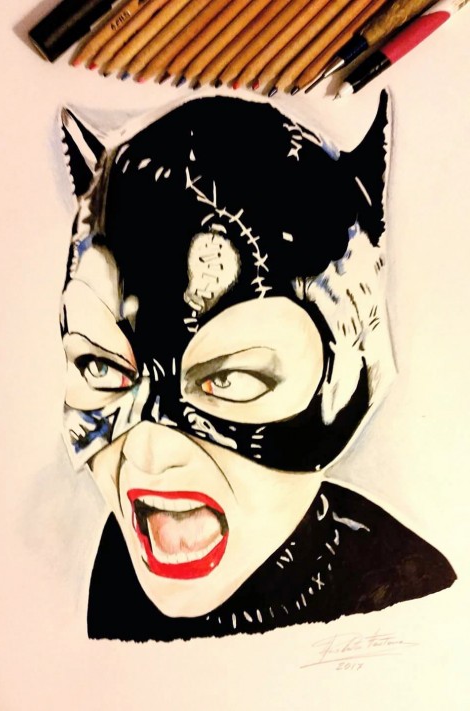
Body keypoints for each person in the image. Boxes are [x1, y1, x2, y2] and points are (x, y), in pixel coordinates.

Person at [59, 94, 456, 642]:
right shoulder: (111, 586)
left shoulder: (410, 598)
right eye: (101, 368)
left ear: (352, 367)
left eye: (230, 379)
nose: (148, 453)